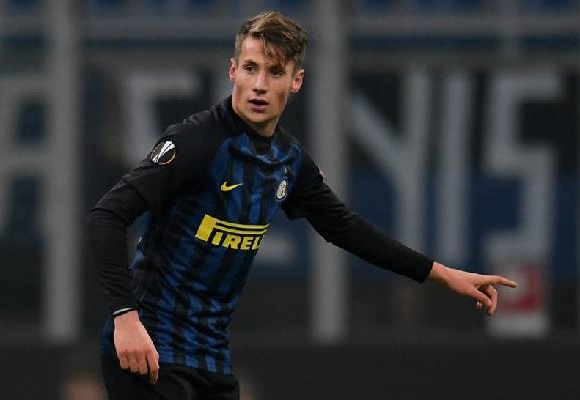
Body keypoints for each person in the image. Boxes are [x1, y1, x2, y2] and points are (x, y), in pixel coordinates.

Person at [87, 10, 517, 400]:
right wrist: (126, 317)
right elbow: (107, 215)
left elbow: (346, 228)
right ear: (233, 71)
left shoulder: (288, 162)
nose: (259, 85)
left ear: (296, 81)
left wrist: (441, 274)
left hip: (210, 360)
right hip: (148, 349)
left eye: (275, 72)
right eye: (251, 69)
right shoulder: (195, 142)